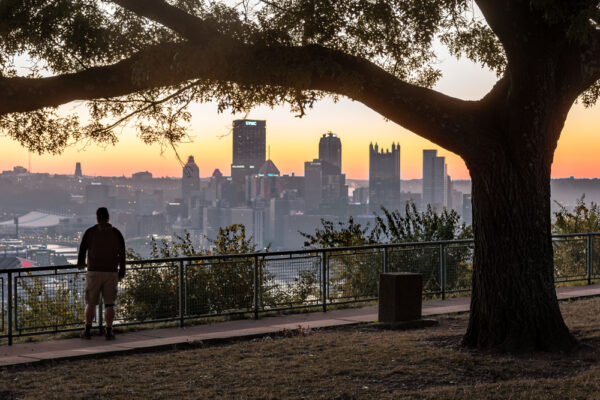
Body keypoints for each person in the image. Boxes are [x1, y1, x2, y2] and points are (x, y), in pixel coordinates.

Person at [77, 207, 126, 340]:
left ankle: (87, 331)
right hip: (111, 272)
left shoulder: (90, 232)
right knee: (109, 304)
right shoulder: (116, 233)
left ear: (98, 217)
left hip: (93, 271)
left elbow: (82, 249)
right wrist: (122, 271)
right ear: (108, 217)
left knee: (91, 303)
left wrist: (80, 263)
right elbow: (122, 254)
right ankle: (109, 331)